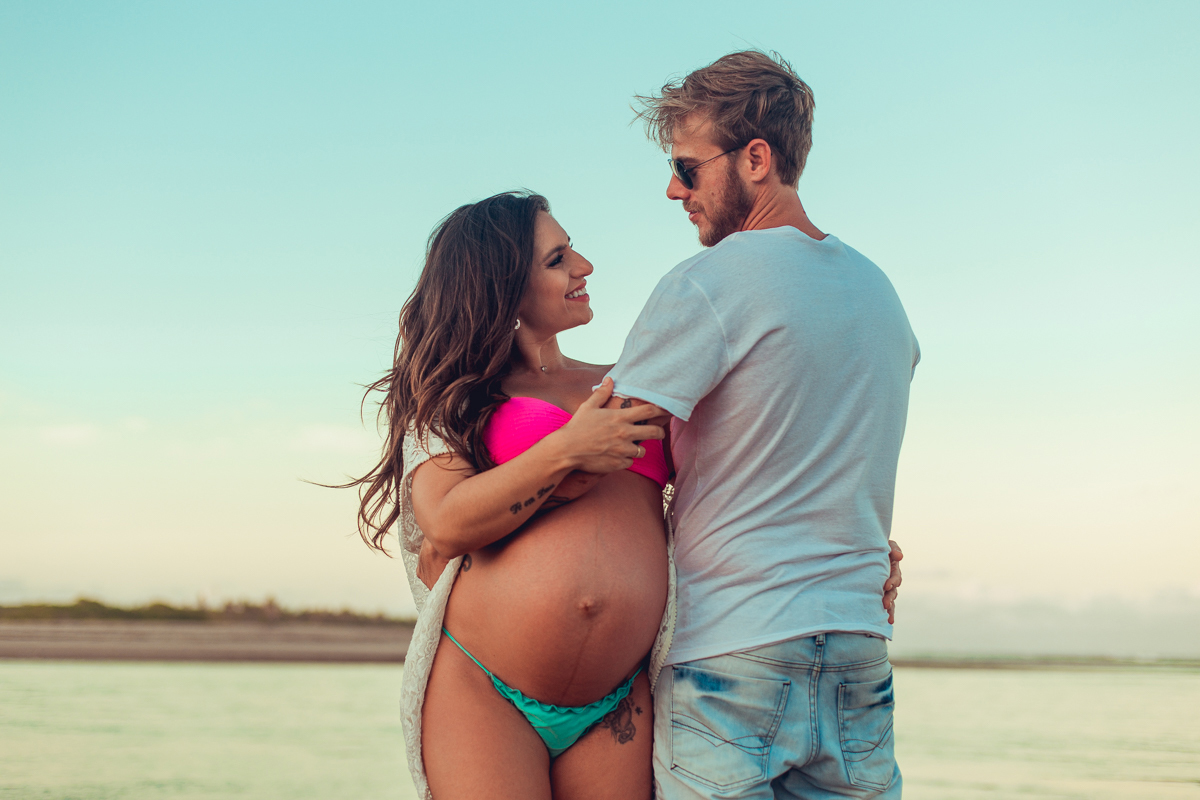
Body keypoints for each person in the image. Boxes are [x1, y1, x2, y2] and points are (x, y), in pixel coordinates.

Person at [349, 191, 904, 800]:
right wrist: (567, 449)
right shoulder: (456, 397)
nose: (584, 266)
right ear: (502, 286)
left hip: (618, 697)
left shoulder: (633, 384)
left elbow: (749, 474)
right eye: (558, 259)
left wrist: (849, 547)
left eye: (572, 251)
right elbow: (446, 522)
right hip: (484, 688)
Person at [604, 51, 920, 799]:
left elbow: (603, 448)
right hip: (858, 649)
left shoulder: (710, 282)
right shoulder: (881, 295)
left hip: (733, 647)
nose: (674, 190)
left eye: (687, 168)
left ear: (756, 158)